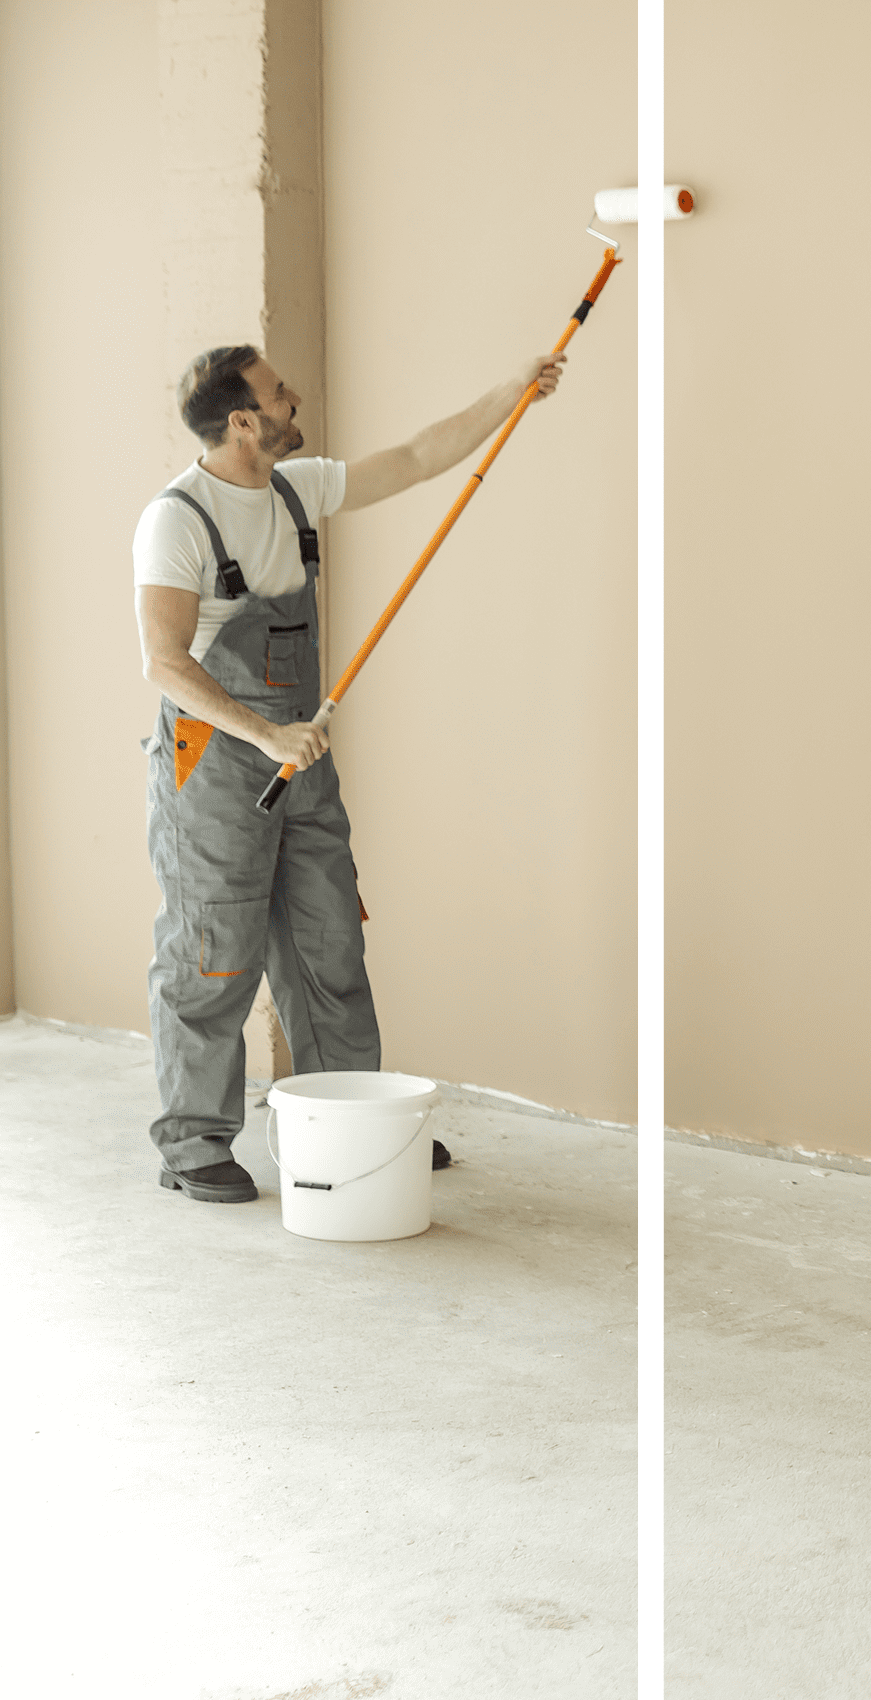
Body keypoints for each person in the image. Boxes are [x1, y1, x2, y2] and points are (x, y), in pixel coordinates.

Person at [134, 343, 565, 1203]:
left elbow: (413, 459)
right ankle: (193, 1145)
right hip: (216, 766)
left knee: (329, 941)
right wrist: (266, 735)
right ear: (243, 421)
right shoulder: (178, 520)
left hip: (302, 759)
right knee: (214, 955)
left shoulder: (296, 489)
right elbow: (165, 663)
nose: (294, 398)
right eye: (277, 392)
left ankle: (344, 1123)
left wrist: (511, 391)